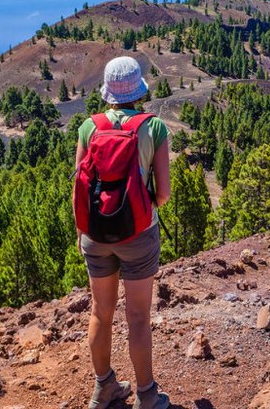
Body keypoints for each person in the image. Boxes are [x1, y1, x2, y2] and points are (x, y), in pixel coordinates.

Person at [76, 56, 172, 409]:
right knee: (138, 318)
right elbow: (163, 193)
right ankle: (147, 396)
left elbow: (80, 187)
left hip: (95, 235)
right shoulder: (155, 128)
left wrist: (82, 231)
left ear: (108, 92)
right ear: (138, 90)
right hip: (138, 235)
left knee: (101, 313)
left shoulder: (89, 127)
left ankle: (104, 388)